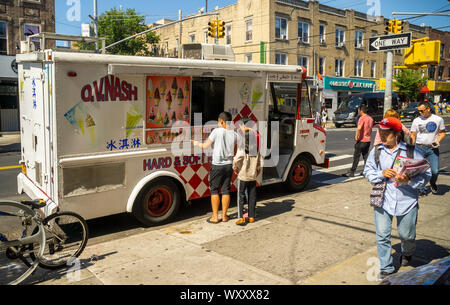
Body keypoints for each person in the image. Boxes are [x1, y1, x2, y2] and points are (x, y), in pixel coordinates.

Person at [364, 117, 432, 280]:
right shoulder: (377, 151)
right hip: (383, 200)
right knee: (382, 235)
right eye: (380, 132)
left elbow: (426, 173)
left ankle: (407, 252)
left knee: (406, 235)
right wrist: (381, 173)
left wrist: (410, 181)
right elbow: (367, 171)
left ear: (396, 134)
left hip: (407, 201)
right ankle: (386, 267)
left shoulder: (411, 151)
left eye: (386, 133)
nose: (381, 135)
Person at [192, 112, 238, 224]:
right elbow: (235, 151)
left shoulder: (216, 131)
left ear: (221, 121)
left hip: (217, 166)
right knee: (226, 189)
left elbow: (205, 145)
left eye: (218, 121)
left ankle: (215, 217)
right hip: (228, 166)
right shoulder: (234, 134)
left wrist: (196, 143)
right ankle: (225, 216)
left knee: (214, 190)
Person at [411, 101, 447, 195]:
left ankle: (432, 182)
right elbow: (413, 134)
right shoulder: (416, 120)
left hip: (432, 149)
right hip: (419, 148)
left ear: (428, 109)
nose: (420, 113)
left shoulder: (438, 119)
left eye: (422, 111)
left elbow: (443, 132)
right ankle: (422, 189)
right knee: (420, 170)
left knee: (435, 171)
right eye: (418, 111)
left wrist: (438, 141)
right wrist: (411, 146)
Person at [233, 117, 263, 225]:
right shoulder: (256, 149)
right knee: (252, 196)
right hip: (252, 175)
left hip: (243, 176)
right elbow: (260, 161)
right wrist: (258, 170)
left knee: (240, 196)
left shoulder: (242, 148)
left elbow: (237, 159)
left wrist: (234, 167)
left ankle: (240, 217)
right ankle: (251, 217)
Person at [343, 105, 374, 177]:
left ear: (361, 110)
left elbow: (359, 128)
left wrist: (356, 137)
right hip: (368, 140)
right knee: (365, 156)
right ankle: (366, 171)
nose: (358, 111)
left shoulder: (362, 118)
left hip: (361, 140)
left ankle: (352, 172)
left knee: (356, 156)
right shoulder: (370, 118)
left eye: (358, 110)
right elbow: (370, 129)